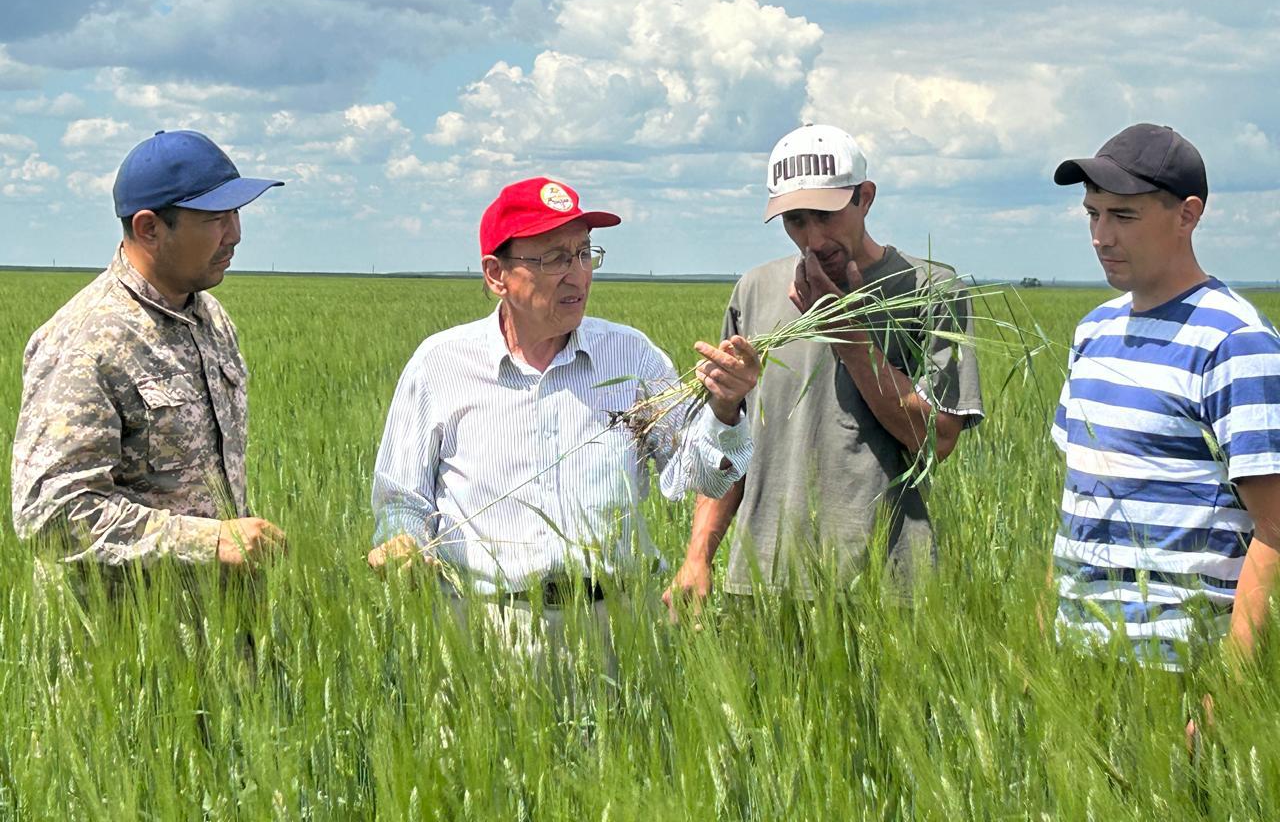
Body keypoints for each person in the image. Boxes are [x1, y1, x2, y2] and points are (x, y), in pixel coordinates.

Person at [366, 177, 759, 669]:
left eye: (584, 253)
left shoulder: (631, 356)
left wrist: (725, 408)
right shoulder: (440, 364)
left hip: (619, 627)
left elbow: (699, 476)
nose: (578, 275)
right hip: (487, 631)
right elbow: (402, 500)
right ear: (496, 274)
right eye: (554, 258)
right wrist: (403, 541)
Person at [665, 124, 984, 614]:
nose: (812, 238)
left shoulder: (931, 291)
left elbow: (937, 440)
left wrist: (848, 336)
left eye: (826, 215)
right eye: (795, 220)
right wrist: (698, 556)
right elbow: (732, 441)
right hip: (761, 580)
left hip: (885, 585)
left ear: (865, 198)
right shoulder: (755, 290)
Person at [1049, 123, 1280, 677]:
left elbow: (1275, 530)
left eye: (1123, 216)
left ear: (1187, 215)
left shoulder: (1235, 342)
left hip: (1182, 670)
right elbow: (1078, 502)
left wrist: (1230, 692)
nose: (1101, 236)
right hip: (1076, 661)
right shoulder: (1092, 331)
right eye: (1092, 214)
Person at [11, 129, 287, 572]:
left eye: (236, 213)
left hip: (217, 613)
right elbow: (51, 516)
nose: (235, 234)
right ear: (149, 228)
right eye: (217, 218)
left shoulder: (211, 319)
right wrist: (208, 541)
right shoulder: (87, 341)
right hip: (121, 615)